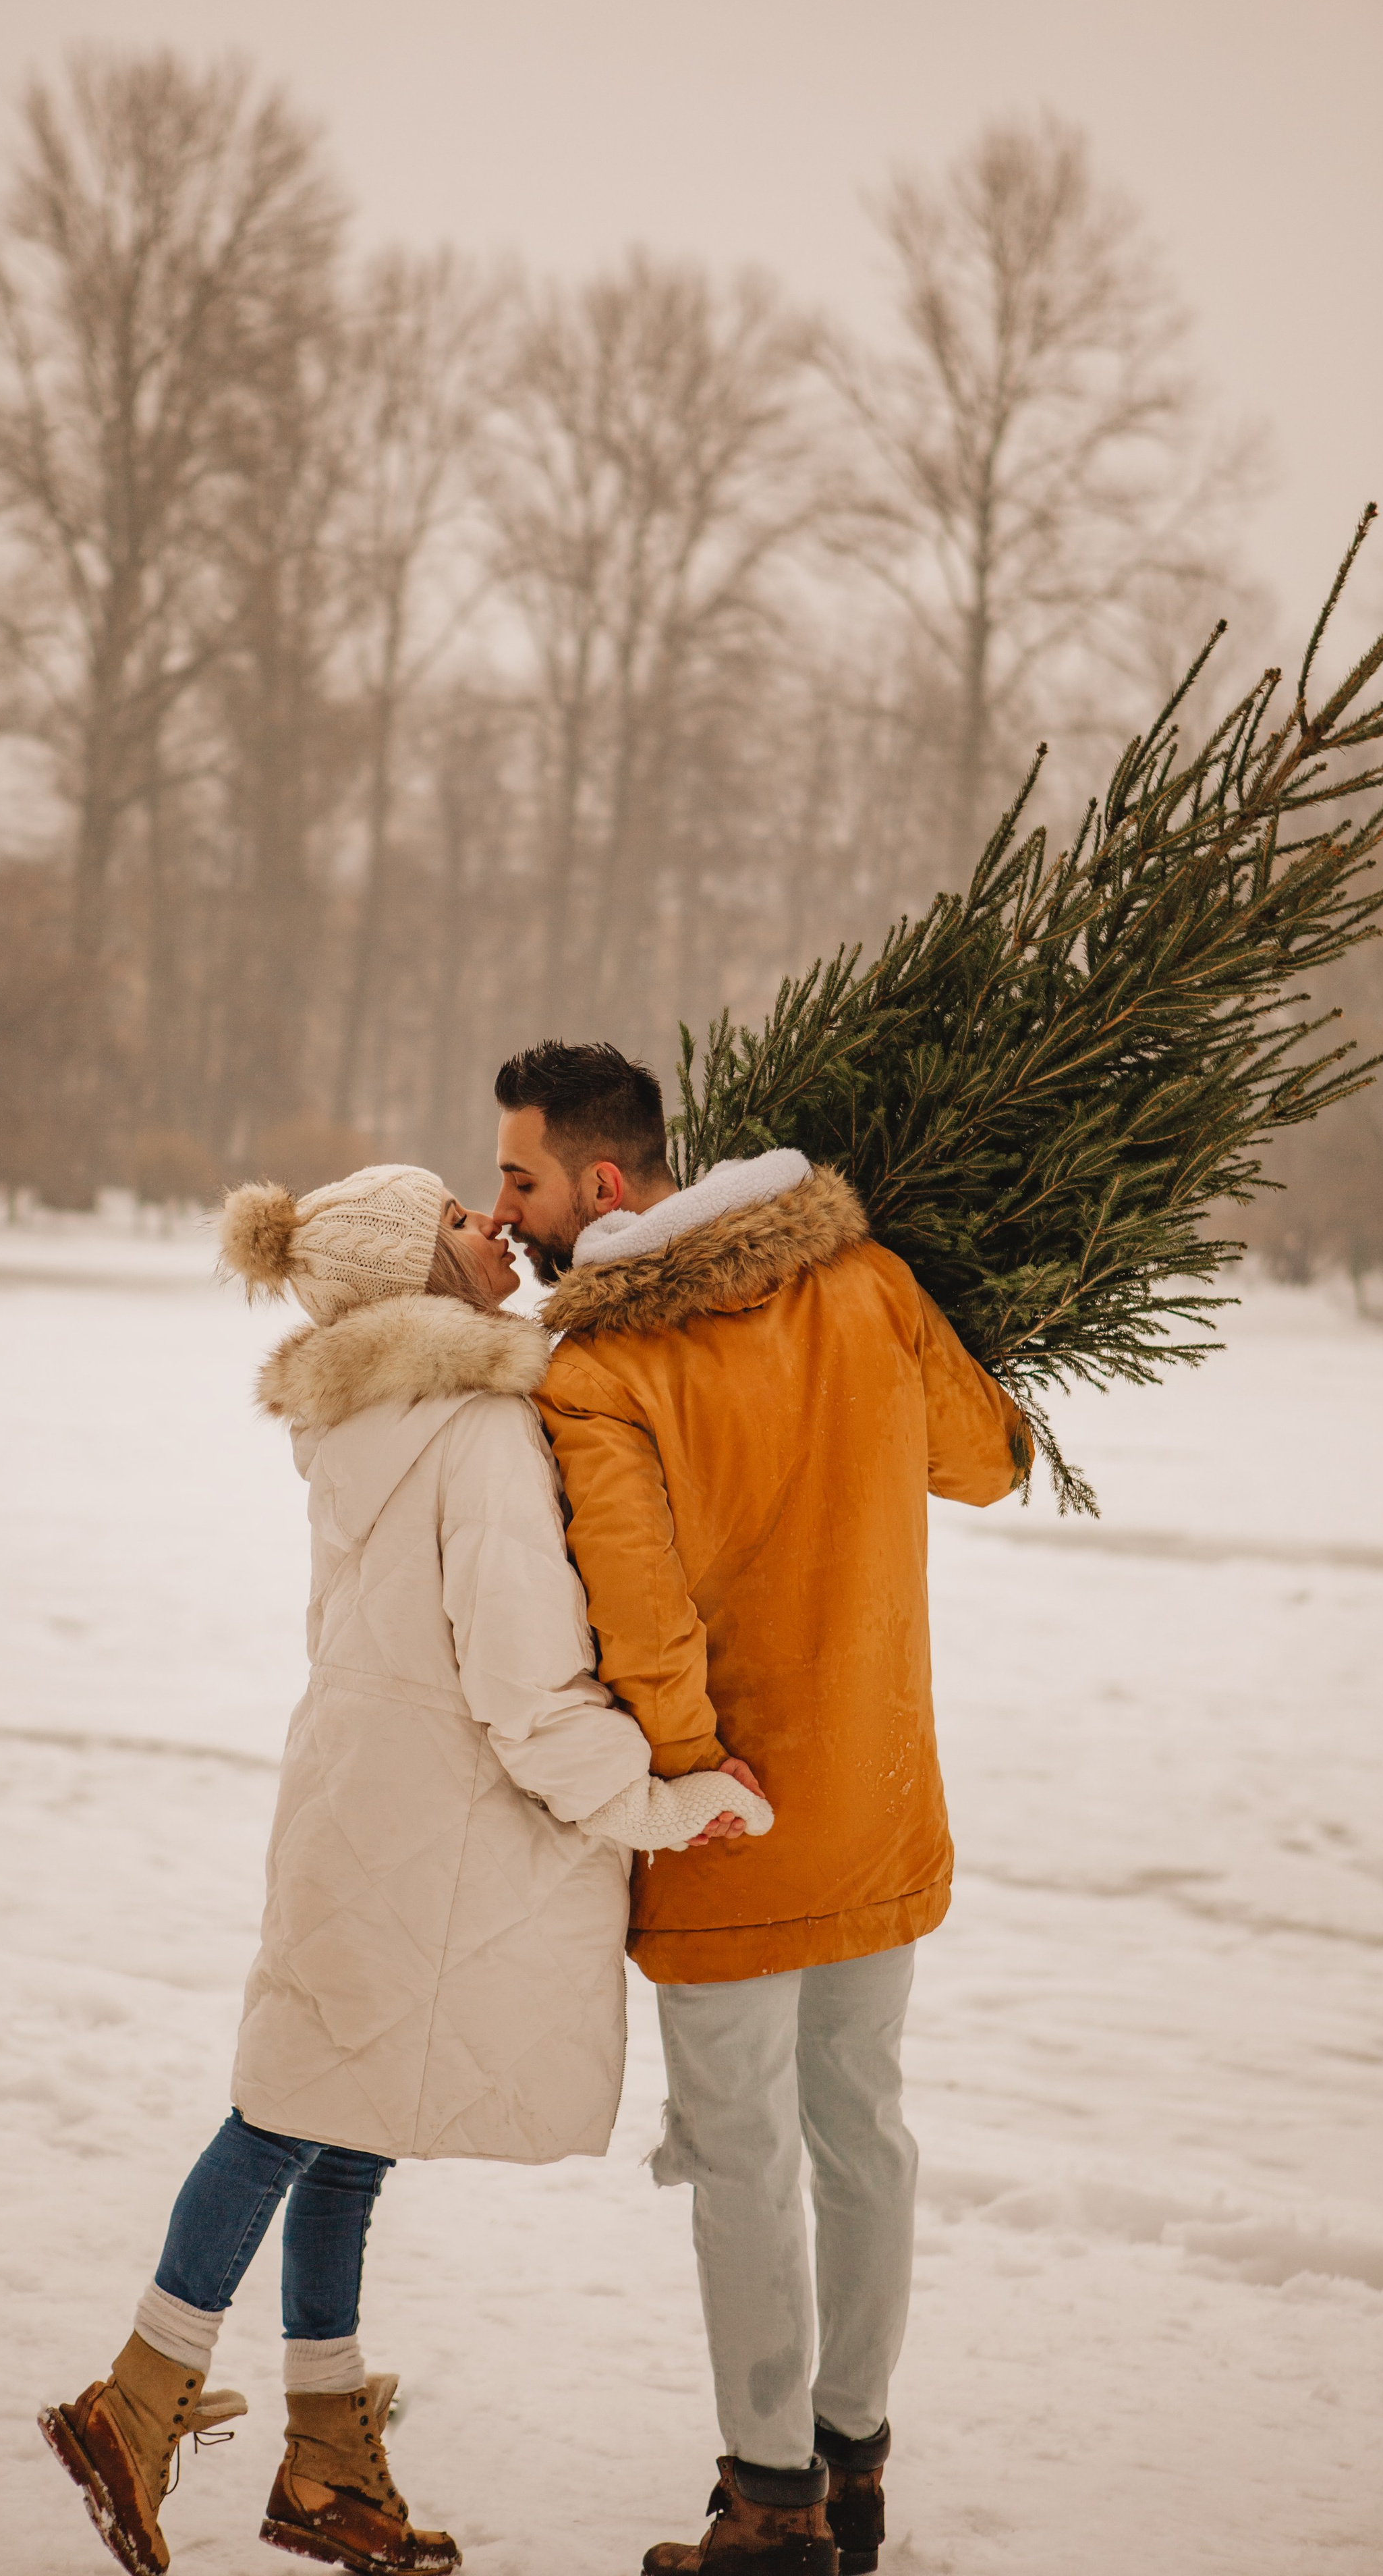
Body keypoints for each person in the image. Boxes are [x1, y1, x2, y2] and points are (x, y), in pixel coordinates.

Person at [37, 1162, 770, 2576]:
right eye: (457, 1217)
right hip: (424, 1824)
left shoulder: (367, 1413)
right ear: (412, 1276)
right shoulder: (481, 1430)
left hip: (367, 1807)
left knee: (341, 2122)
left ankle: (324, 2469)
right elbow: (524, 1688)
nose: (492, 1223)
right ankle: (136, 2396)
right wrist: (669, 1804)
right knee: (287, 2111)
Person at [492, 1045, 1031, 2576]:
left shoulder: (597, 1371)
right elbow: (986, 1461)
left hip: (730, 1822)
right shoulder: (859, 1280)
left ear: (604, 1184)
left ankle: (772, 2502)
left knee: (742, 2159)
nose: (503, 1207)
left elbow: (643, 1623)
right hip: (876, 1796)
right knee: (862, 2124)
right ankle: (854, 2467)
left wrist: (683, 1787)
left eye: (520, 1177)